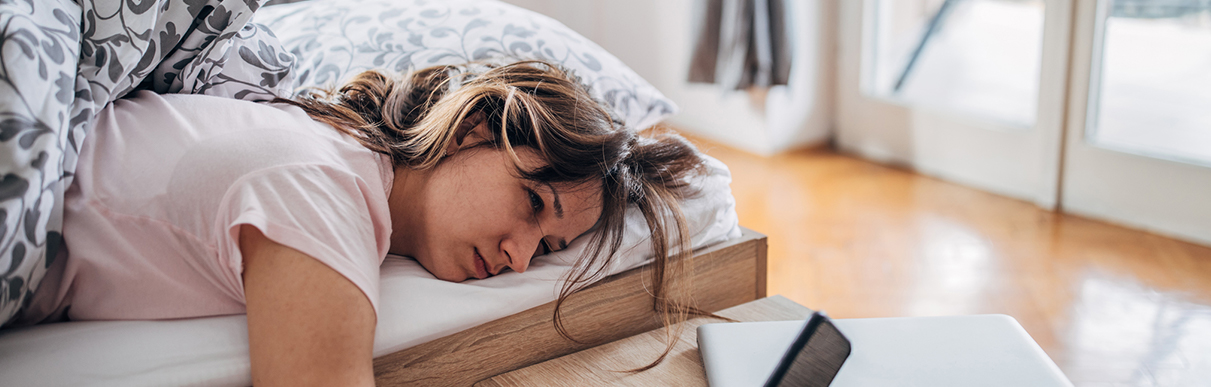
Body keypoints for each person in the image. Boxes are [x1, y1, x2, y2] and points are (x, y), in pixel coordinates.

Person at [12, 60, 705, 384]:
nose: (520, 257)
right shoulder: (321, 187)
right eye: (532, 205)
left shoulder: (332, 159)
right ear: (469, 129)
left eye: (548, 246)